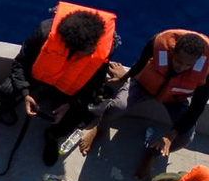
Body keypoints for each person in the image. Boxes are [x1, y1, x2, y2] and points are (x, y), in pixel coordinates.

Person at [0, 2, 117, 164]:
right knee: (7, 91)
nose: (93, 51)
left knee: (77, 115)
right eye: (87, 51)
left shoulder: (101, 49)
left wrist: (70, 103)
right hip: (39, 78)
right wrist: (25, 94)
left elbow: (94, 85)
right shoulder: (44, 32)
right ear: (71, 47)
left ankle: (53, 135)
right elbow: (19, 64)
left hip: (69, 90)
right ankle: (2, 105)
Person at [81, 29, 209, 173]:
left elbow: (197, 108)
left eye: (188, 65)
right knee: (117, 107)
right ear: (173, 51)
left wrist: (169, 137)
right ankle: (99, 128)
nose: (181, 67)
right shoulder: (158, 42)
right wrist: (124, 77)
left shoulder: (206, 71)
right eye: (178, 61)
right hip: (144, 85)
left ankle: (152, 154)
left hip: (175, 98)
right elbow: (140, 63)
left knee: (186, 137)